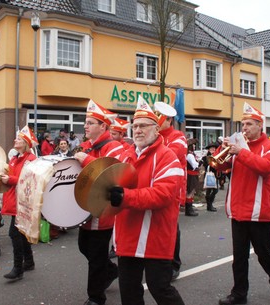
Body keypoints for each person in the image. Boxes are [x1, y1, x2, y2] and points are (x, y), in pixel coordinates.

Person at [109, 97, 185, 305]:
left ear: (156, 129)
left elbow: (162, 194)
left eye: (143, 126)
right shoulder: (126, 155)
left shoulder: (168, 156)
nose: (138, 130)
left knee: (160, 288)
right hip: (127, 234)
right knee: (130, 292)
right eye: (135, 126)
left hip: (155, 234)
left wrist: (125, 197)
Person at [215, 103, 270, 305]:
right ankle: (239, 294)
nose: (243, 128)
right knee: (239, 258)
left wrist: (241, 152)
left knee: (264, 255)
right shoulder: (238, 146)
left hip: (258, 211)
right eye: (242, 124)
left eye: (248, 124)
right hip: (238, 210)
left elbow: (266, 168)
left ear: (259, 125)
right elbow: (220, 165)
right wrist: (223, 149)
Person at [73, 99, 123, 305]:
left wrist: (84, 159)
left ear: (104, 126)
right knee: (84, 246)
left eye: (90, 122)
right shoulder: (87, 146)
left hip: (102, 210)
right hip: (85, 209)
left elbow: (111, 175)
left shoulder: (114, 147)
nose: (85, 126)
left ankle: (96, 297)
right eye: (85, 122)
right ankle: (111, 270)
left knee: (95, 255)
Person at [154, 100, 188, 280]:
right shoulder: (155, 136)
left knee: (171, 227)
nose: (157, 121)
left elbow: (170, 155)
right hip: (155, 187)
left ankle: (174, 263)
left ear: (168, 120)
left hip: (173, 190)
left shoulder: (179, 137)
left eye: (160, 118)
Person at [0, 125, 38, 280]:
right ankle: (28, 262)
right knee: (21, 233)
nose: (15, 140)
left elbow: (29, 181)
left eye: (18, 139)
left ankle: (18, 268)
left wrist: (10, 179)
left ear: (26, 143)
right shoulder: (15, 157)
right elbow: (13, 175)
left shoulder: (31, 159)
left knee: (14, 233)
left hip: (23, 201)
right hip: (15, 198)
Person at [201, 142, 219, 212]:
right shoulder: (206, 157)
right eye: (211, 149)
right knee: (212, 190)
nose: (213, 150)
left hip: (214, 175)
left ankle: (209, 204)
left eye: (214, 149)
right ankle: (209, 204)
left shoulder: (216, 156)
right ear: (209, 150)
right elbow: (205, 165)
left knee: (214, 190)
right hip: (209, 175)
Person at [185, 138, 200, 216]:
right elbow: (194, 165)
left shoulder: (191, 154)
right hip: (191, 175)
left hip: (192, 175)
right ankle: (189, 210)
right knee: (190, 192)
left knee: (191, 192)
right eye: (193, 145)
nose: (194, 146)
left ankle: (189, 208)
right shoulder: (190, 155)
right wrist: (199, 163)